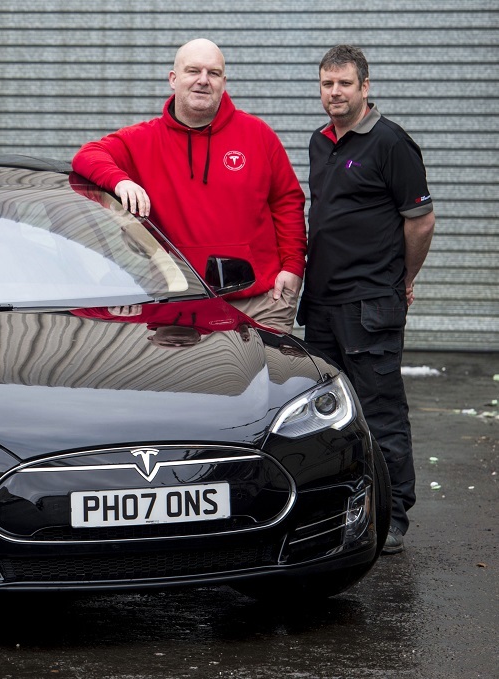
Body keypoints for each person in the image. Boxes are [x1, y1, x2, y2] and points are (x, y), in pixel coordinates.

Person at [299, 45, 435, 555]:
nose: (335, 93)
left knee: (380, 410)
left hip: (370, 304)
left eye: (345, 84)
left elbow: (419, 219)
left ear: (365, 87)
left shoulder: (391, 143)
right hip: (323, 304)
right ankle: (339, 506)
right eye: (327, 84)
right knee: (325, 413)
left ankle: (395, 513)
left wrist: (404, 277)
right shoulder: (319, 142)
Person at [71, 38, 307, 333]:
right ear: (174, 79)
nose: (203, 81)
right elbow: (87, 155)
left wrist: (293, 266)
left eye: (214, 73)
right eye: (193, 71)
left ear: (224, 81)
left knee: (269, 381)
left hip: (260, 304)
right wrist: (120, 181)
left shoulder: (257, 135)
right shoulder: (143, 140)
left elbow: (287, 201)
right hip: (177, 311)